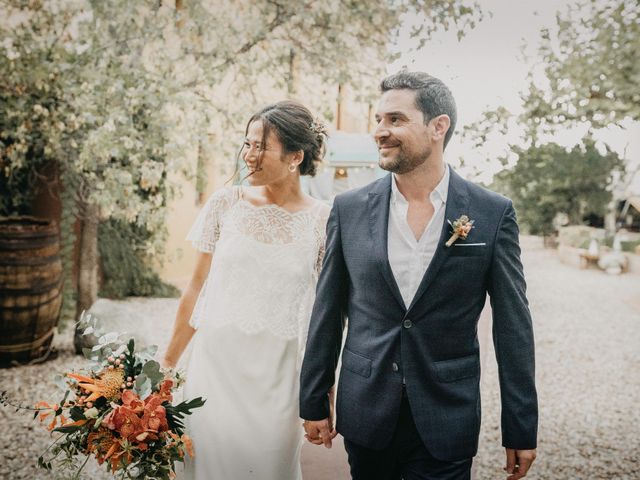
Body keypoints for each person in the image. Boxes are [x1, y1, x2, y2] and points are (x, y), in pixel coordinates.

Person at [300, 71, 538, 480]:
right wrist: (313, 397)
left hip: (447, 414)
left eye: (395, 120)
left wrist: (521, 426)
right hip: (366, 411)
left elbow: (513, 325)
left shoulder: (491, 213)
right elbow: (328, 309)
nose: (380, 131)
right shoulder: (349, 209)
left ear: (438, 127)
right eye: (378, 120)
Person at [162, 100, 330, 480]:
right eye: (247, 144)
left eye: (260, 147)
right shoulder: (225, 203)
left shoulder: (323, 220)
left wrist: (322, 389)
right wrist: (166, 366)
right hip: (214, 372)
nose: (248, 156)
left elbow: (327, 313)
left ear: (295, 157)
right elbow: (195, 289)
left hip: (278, 378)